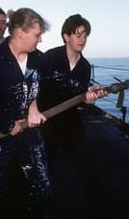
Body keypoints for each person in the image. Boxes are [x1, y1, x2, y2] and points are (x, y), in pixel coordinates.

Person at [0, 8, 51, 218]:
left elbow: (42, 87)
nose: (40, 39)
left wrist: (33, 107)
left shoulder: (38, 60)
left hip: (28, 131)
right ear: (20, 32)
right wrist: (6, 123)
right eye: (37, 34)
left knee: (41, 185)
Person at [37, 14, 107, 173]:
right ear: (66, 36)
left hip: (71, 119)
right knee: (45, 164)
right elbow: (33, 85)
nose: (82, 39)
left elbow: (81, 96)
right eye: (77, 34)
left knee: (86, 163)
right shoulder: (50, 57)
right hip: (45, 119)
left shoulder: (85, 67)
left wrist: (89, 98)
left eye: (85, 35)